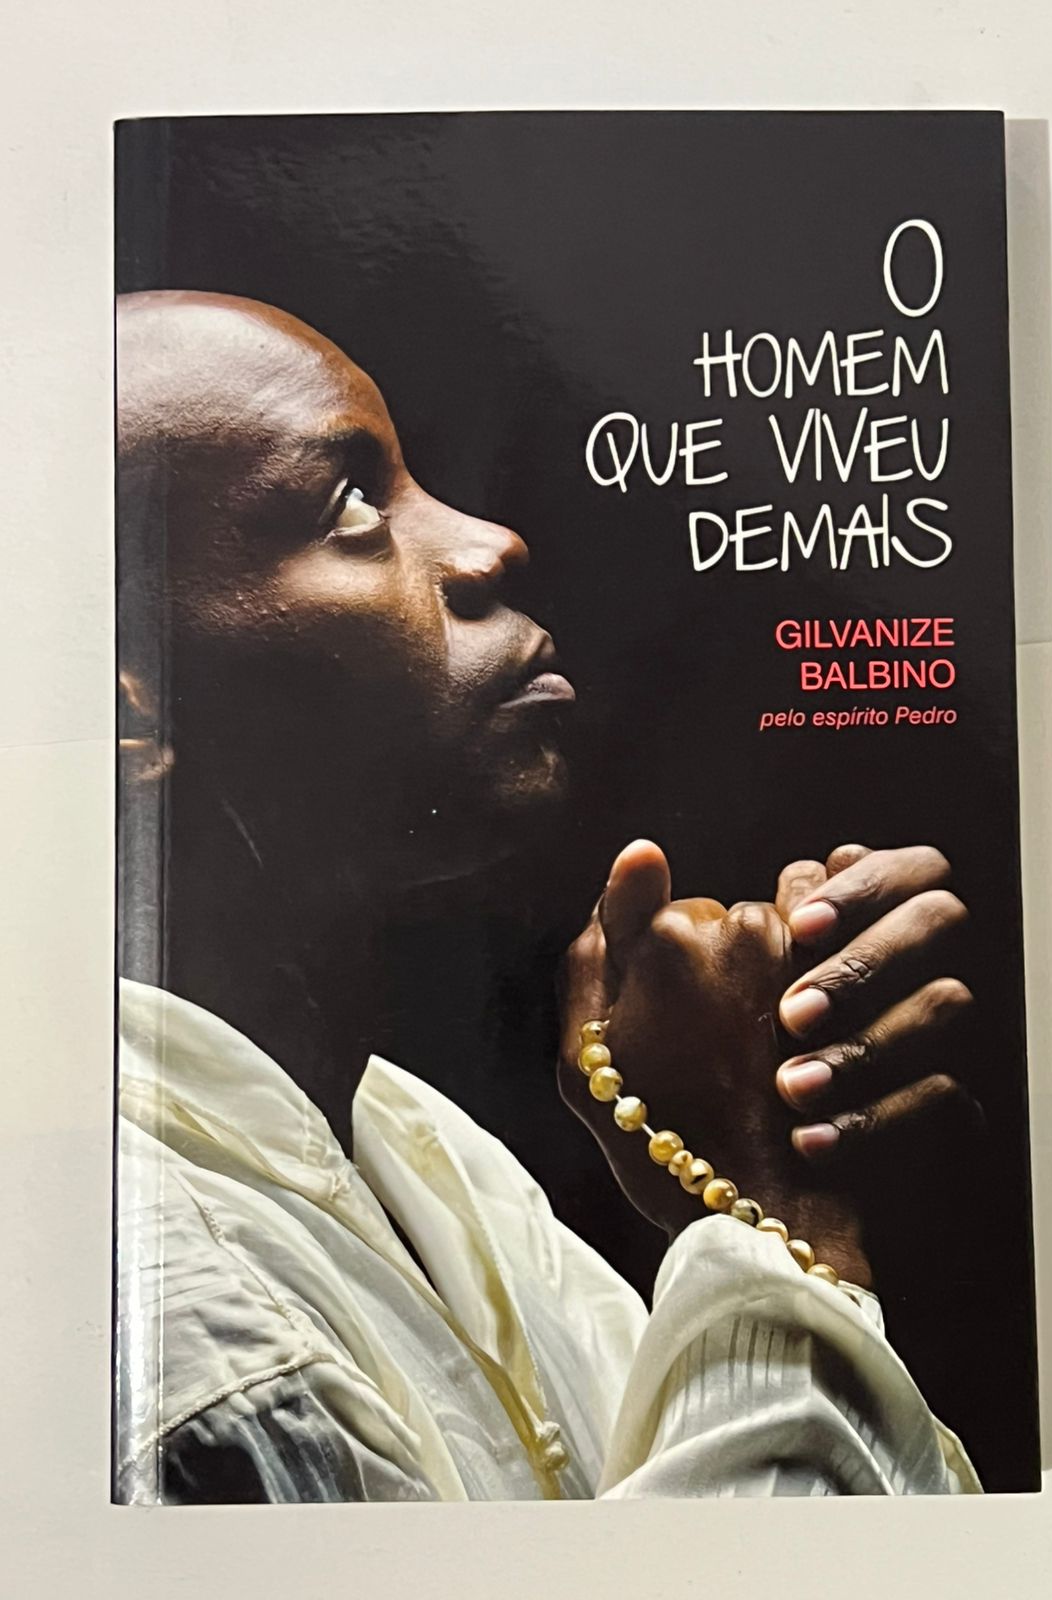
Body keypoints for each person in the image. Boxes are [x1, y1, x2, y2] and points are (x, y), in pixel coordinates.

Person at [115, 291, 981, 1501]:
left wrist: (722, 1171)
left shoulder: (408, 1144)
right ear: (128, 709)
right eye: (349, 504)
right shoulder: (190, 1344)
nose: (491, 544)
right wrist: (782, 1224)